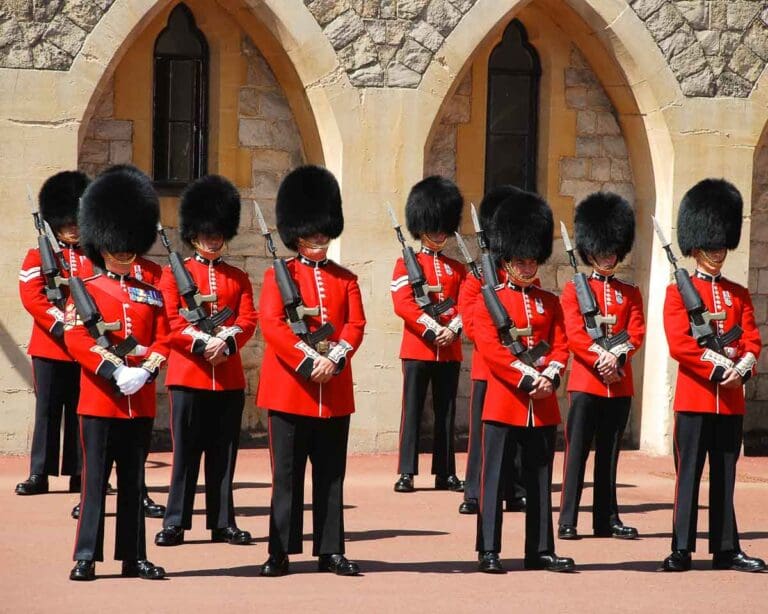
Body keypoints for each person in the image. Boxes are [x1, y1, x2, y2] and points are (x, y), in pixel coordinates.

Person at [257, 165, 366, 577]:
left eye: (323, 234)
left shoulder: (346, 280)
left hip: (333, 390)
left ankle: (330, 549)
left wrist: (334, 357)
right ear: (297, 234)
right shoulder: (278, 275)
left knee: (331, 476)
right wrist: (307, 360)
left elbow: (355, 324)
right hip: (290, 390)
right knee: (285, 476)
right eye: (311, 234)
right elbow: (272, 325)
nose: (318, 241)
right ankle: (280, 550)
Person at [64, 166, 169, 581]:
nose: (122, 252)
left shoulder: (151, 291)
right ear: (101, 242)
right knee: (94, 483)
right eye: (115, 245)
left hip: (138, 399)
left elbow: (165, 338)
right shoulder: (87, 288)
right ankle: (86, 554)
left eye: (128, 245)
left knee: (134, 481)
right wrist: (113, 370)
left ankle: (133, 556)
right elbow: (76, 339)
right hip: (100, 400)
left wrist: (146, 372)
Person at [660, 179, 765, 573]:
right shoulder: (677, 294)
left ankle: (725, 548)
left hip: (732, 399)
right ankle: (681, 547)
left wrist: (743, 366)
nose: (717, 253)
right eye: (710, 246)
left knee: (725, 474)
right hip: (696, 397)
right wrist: (716, 366)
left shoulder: (738, 294)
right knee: (688, 473)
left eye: (721, 246)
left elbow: (752, 338)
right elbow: (680, 344)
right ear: (695, 247)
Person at [472, 190, 574, 574]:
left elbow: (562, 344)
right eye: (521, 260)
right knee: (494, 477)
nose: (528, 266)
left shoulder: (549, 302)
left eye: (533, 260)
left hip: (542, 403)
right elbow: (491, 349)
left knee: (539, 480)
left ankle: (541, 549)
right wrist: (527, 375)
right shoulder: (489, 299)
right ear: (507, 260)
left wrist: (550, 374)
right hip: (504, 400)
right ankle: (489, 549)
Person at [155, 175, 258, 547]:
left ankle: (222, 522)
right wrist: (202, 344)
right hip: (188, 377)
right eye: (207, 232)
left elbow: (248, 320)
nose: (213, 239)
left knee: (224, 457)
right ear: (194, 233)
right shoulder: (172, 275)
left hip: (227, 379)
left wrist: (226, 342)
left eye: (218, 233)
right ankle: (175, 522)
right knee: (184, 455)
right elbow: (169, 322)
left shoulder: (238, 277)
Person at [558, 192, 644, 541]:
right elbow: (574, 334)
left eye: (611, 251)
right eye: (601, 251)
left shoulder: (630, 292)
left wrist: (618, 356)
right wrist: (601, 359)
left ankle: (606, 518)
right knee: (576, 453)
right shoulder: (573, 291)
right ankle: (567, 519)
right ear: (589, 252)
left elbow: (636, 331)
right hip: (586, 383)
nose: (607, 257)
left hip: (619, 383)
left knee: (609, 456)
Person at [391, 176, 466, 493]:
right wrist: (432, 327)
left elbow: (468, 304)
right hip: (418, 348)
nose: (438, 232)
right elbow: (402, 302)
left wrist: (453, 328)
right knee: (412, 410)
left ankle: (445, 471)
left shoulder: (456, 268)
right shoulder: (405, 264)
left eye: (442, 226)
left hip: (449, 349)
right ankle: (407, 471)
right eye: (433, 226)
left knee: (446, 412)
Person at [17, 171, 90, 496]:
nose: (72, 228)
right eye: (67, 223)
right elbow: (31, 296)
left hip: (84, 347)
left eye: (76, 222)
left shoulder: (92, 257)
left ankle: (79, 472)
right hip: (50, 345)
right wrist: (62, 323)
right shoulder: (38, 256)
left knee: (81, 409)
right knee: (47, 410)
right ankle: (39, 473)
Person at [458, 186, 526, 515]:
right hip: (488, 367)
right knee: (482, 435)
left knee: (515, 435)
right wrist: (497, 343)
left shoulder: (523, 280)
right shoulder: (477, 278)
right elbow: (470, 322)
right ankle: (474, 492)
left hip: (519, 366)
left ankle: (513, 490)